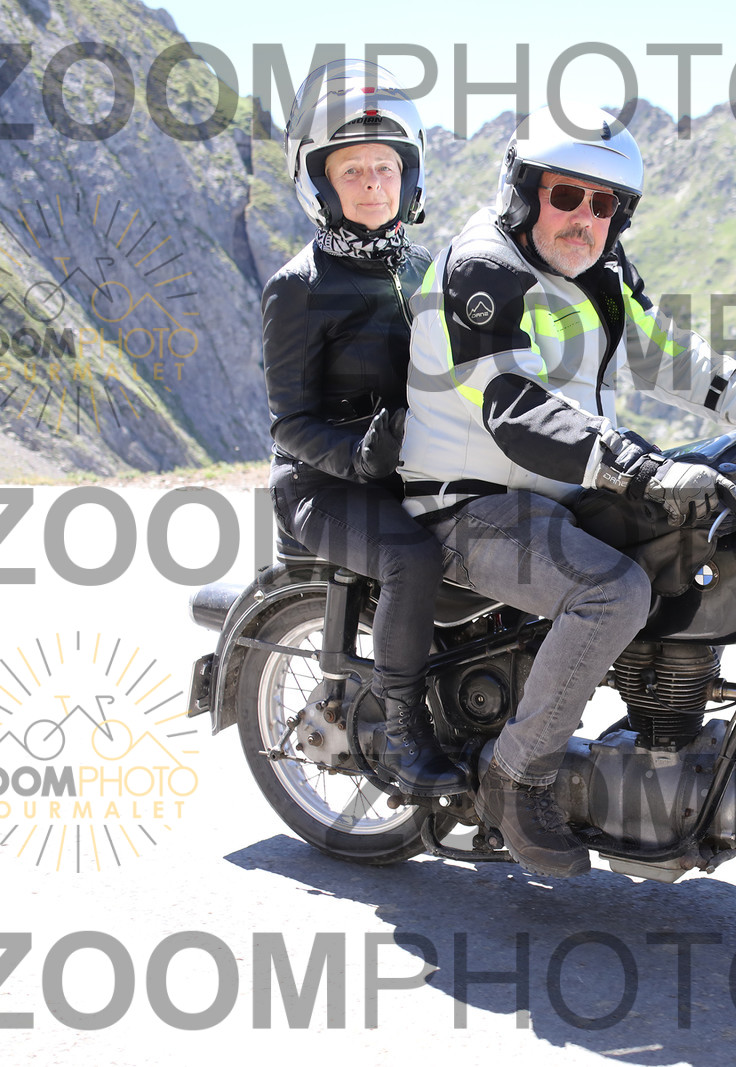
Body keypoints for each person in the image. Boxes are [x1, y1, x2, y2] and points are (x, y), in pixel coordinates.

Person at [400, 103, 736, 876]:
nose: (585, 218)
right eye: (565, 195)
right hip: (469, 504)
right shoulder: (483, 270)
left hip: (562, 493)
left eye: (604, 204)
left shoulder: (601, 278)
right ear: (524, 191)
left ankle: (670, 733)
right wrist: (635, 465)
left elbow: (680, 360)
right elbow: (513, 406)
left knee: (722, 518)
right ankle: (517, 776)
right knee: (611, 592)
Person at [264, 60, 462, 796]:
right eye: (353, 170)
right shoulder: (298, 287)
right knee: (412, 557)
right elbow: (289, 423)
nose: (373, 183)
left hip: (416, 468)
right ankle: (405, 734)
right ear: (321, 185)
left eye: (386, 167)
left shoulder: (429, 270)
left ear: (409, 178)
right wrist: (358, 456)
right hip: (321, 486)